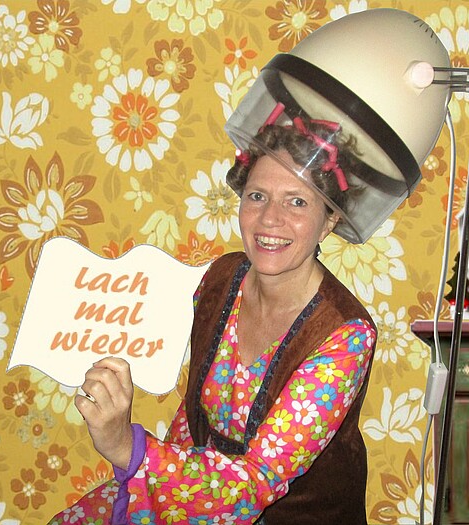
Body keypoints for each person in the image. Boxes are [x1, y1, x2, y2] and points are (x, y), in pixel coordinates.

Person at [48, 119, 377, 525]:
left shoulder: (345, 333)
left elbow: (257, 480)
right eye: (257, 196)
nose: (269, 218)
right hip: (199, 488)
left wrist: (126, 448)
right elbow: (194, 416)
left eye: (296, 202)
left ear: (329, 220)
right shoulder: (222, 278)